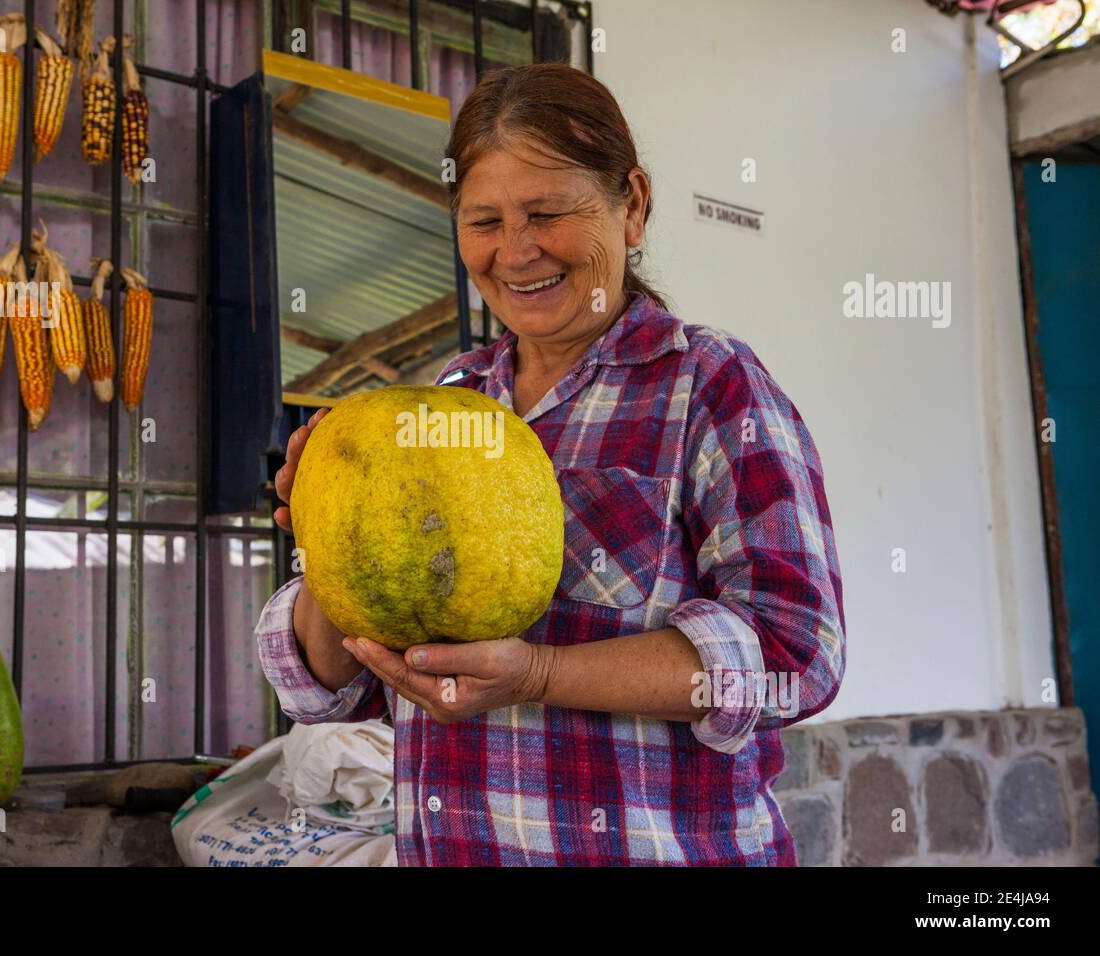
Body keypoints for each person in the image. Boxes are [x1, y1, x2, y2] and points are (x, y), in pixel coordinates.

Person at [256, 63, 846, 866]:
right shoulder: (444, 401)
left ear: (631, 205)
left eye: (546, 212)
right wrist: (328, 538)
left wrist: (537, 673)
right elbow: (321, 688)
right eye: (484, 220)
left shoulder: (709, 385)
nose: (515, 251)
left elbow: (795, 658)